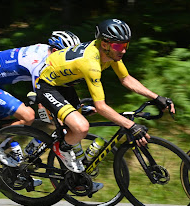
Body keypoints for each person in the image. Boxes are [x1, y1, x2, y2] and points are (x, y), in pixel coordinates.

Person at [36, 19, 175, 193]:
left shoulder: (110, 54)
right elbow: (101, 106)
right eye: (118, 46)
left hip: (65, 85)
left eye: (125, 45)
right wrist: (130, 125)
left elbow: (126, 79)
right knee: (81, 128)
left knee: (74, 128)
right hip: (48, 85)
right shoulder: (91, 63)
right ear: (105, 43)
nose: (123, 50)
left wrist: (156, 97)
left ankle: (75, 173)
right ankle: (61, 148)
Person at [0, 31, 80, 186]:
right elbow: (45, 97)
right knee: (28, 116)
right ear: (56, 51)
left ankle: (16, 174)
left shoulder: (49, 53)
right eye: (67, 55)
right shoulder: (40, 62)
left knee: (13, 134)